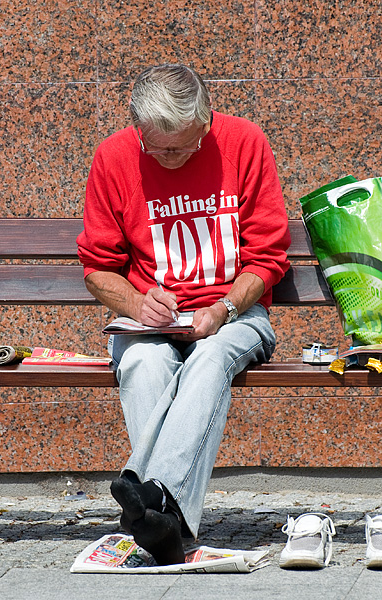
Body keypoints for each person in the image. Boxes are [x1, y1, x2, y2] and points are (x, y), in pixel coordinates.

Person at [76, 64, 291, 565]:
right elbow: (97, 269)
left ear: (206, 121)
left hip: (237, 314)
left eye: (183, 146)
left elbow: (269, 257)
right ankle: (167, 524)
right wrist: (137, 303)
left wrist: (223, 307)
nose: (170, 158)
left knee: (209, 357)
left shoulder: (244, 142)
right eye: (159, 147)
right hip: (151, 323)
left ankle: (151, 497)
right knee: (141, 363)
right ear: (138, 130)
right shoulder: (114, 157)